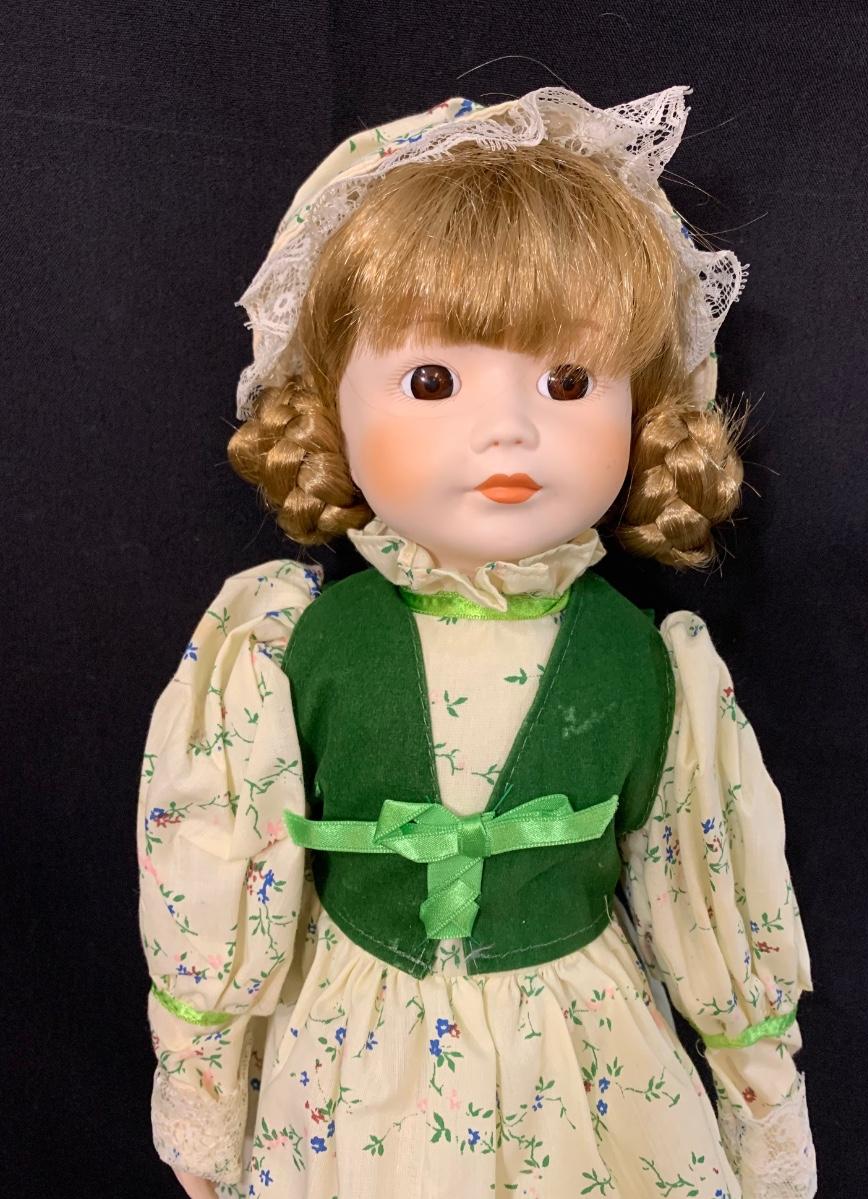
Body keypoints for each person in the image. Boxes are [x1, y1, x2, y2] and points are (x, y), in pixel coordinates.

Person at [137, 86, 817, 1199]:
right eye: (432, 381)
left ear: (641, 409)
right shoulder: (281, 648)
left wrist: (759, 1095)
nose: (508, 428)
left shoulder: (649, 664)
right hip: (355, 1064)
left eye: (566, 382)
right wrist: (202, 1080)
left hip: (581, 1066)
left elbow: (700, 881)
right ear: (328, 409)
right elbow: (221, 863)